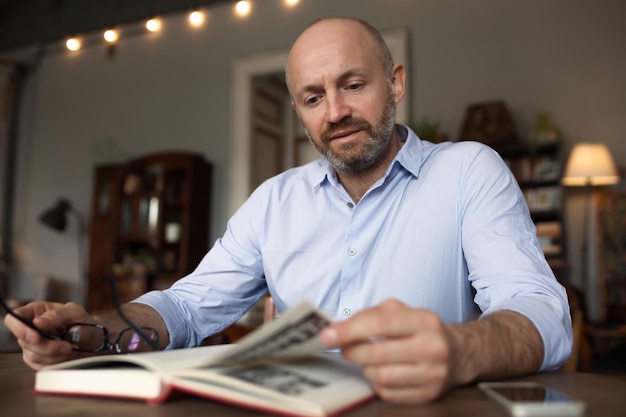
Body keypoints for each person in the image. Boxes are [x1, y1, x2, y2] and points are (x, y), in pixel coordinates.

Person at [4, 17, 572, 405]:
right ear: (299, 110)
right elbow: (183, 307)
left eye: (353, 84)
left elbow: (543, 311)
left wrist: (462, 349)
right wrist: (91, 332)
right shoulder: (273, 201)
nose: (337, 112)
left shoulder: (469, 170)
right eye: (313, 97)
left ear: (395, 83)